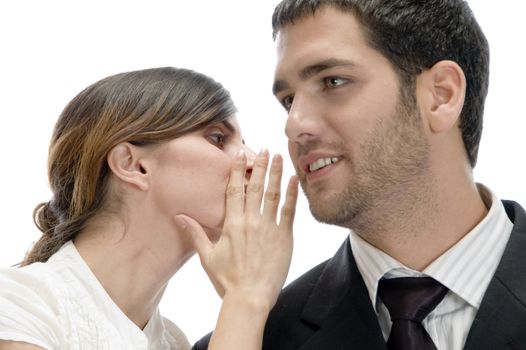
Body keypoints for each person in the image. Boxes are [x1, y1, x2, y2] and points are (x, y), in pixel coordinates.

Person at [193, 0, 526, 349]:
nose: (294, 126)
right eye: (289, 100)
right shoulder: (252, 339)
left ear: (441, 95)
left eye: (333, 81)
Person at [0, 67, 299, 350]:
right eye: (218, 138)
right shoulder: (17, 306)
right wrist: (246, 298)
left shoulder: (173, 341)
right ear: (133, 164)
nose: (250, 159)